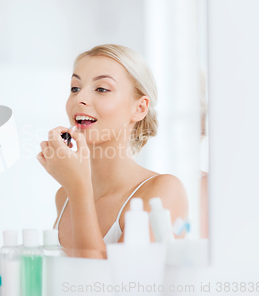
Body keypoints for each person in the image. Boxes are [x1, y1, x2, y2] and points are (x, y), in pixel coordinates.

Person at [37, 44, 189, 257]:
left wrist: (78, 187)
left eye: (101, 89)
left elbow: (106, 286)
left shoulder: (163, 191)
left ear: (139, 108)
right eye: (75, 88)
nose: (80, 98)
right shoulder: (64, 196)